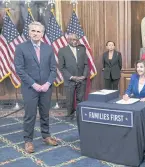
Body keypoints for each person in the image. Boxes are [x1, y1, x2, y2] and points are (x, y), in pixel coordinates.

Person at [14, 21, 58, 153]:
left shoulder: (48, 48)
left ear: (42, 34)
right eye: (33, 31)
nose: (35, 33)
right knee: (30, 115)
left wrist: (47, 84)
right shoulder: (21, 48)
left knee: (45, 113)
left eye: (38, 31)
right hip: (30, 88)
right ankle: (28, 140)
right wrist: (34, 84)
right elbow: (20, 70)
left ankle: (46, 136)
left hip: (46, 88)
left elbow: (53, 69)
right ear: (29, 32)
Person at [58, 33, 89, 119]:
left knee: (81, 98)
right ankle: (70, 115)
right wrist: (72, 77)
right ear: (68, 40)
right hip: (70, 79)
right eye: (72, 40)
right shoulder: (62, 50)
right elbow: (61, 67)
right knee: (70, 100)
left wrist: (84, 76)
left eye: (76, 40)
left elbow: (86, 64)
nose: (74, 41)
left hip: (82, 79)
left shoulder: (82, 49)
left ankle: (80, 114)